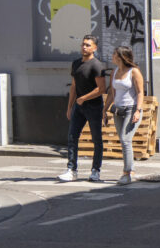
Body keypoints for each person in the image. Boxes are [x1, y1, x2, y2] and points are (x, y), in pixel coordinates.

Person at [60, 35, 107, 182]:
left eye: (88, 45)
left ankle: (95, 170)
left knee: (96, 139)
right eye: (83, 45)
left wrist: (84, 98)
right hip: (78, 107)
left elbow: (101, 89)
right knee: (72, 137)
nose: (84, 47)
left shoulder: (97, 65)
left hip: (94, 107)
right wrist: (69, 107)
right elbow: (74, 86)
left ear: (94, 48)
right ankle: (71, 169)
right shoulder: (76, 64)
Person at [102, 46, 145, 185]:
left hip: (131, 109)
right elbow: (111, 93)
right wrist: (105, 109)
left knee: (126, 139)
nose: (112, 56)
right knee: (122, 139)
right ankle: (129, 171)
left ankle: (127, 172)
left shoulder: (134, 72)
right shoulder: (114, 72)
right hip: (118, 110)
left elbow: (140, 92)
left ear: (121, 57)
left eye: (114, 54)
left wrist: (138, 110)